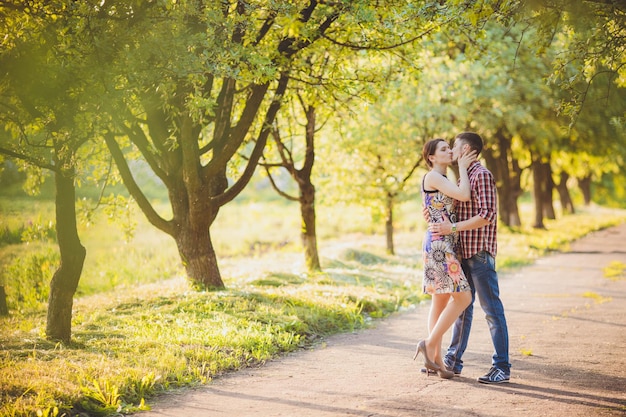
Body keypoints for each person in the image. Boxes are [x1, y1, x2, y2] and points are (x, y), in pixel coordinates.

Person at [429, 132, 511, 384]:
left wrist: (452, 229)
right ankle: (453, 361)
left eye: (454, 146)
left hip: (480, 253)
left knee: (492, 310)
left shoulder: (482, 175)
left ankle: (502, 368)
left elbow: (486, 215)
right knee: (463, 308)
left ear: (466, 149)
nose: (452, 151)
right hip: (462, 252)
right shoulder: (464, 176)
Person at [413, 138, 475, 379]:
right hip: (440, 246)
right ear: (431, 157)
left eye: (450, 147)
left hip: (441, 243)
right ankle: (428, 345)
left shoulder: (441, 179)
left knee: (439, 302)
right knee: (464, 297)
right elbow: (464, 196)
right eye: (443, 149)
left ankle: (436, 360)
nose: (450, 151)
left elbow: (438, 207)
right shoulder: (434, 176)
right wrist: (462, 166)